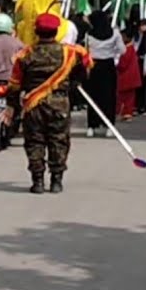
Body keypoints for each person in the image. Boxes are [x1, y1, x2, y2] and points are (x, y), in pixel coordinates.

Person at [9, 13, 93, 194]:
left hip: (33, 105)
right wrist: (74, 81)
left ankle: (37, 181)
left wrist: (13, 106)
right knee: (59, 141)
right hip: (59, 103)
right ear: (56, 31)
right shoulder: (70, 52)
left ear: (36, 31)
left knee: (34, 142)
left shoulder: (25, 55)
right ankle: (56, 180)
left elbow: (15, 84)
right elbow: (86, 66)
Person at [84, 10, 123, 138]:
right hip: (108, 66)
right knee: (109, 97)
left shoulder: (89, 34)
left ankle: (91, 126)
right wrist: (113, 52)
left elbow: (86, 51)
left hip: (94, 66)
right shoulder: (115, 33)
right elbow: (123, 50)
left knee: (93, 97)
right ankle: (109, 126)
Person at [116, 30, 143, 120]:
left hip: (126, 76)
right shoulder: (131, 48)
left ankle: (123, 112)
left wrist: (116, 65)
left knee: (122, 96)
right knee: (130, 96)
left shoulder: (127, 49)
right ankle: (127, 112)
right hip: (133, 76)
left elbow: (122, 64)